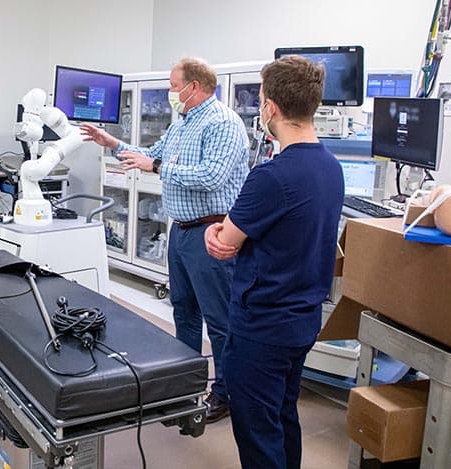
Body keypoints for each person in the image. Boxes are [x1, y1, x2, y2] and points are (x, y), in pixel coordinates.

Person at [81, 58, 248, 423]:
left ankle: (226, 393)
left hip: (213, 232)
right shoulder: (183, 123)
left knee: (219, 320)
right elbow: (150, 155)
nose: (171, 93)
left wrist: (156, 168)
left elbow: (212, 176)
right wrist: (112, 143)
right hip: (182, 231)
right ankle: (184, 384)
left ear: (195, 86)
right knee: (184, 311)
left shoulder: (224, 123)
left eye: (174, 87)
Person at [204, 56, 343, 468]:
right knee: (283, 415)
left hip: (262, 326)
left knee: (257, 427)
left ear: (271, 109)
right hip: (302, 320)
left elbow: (224, 242)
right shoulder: (330, 168)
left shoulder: (271, 176)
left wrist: (216, 233)